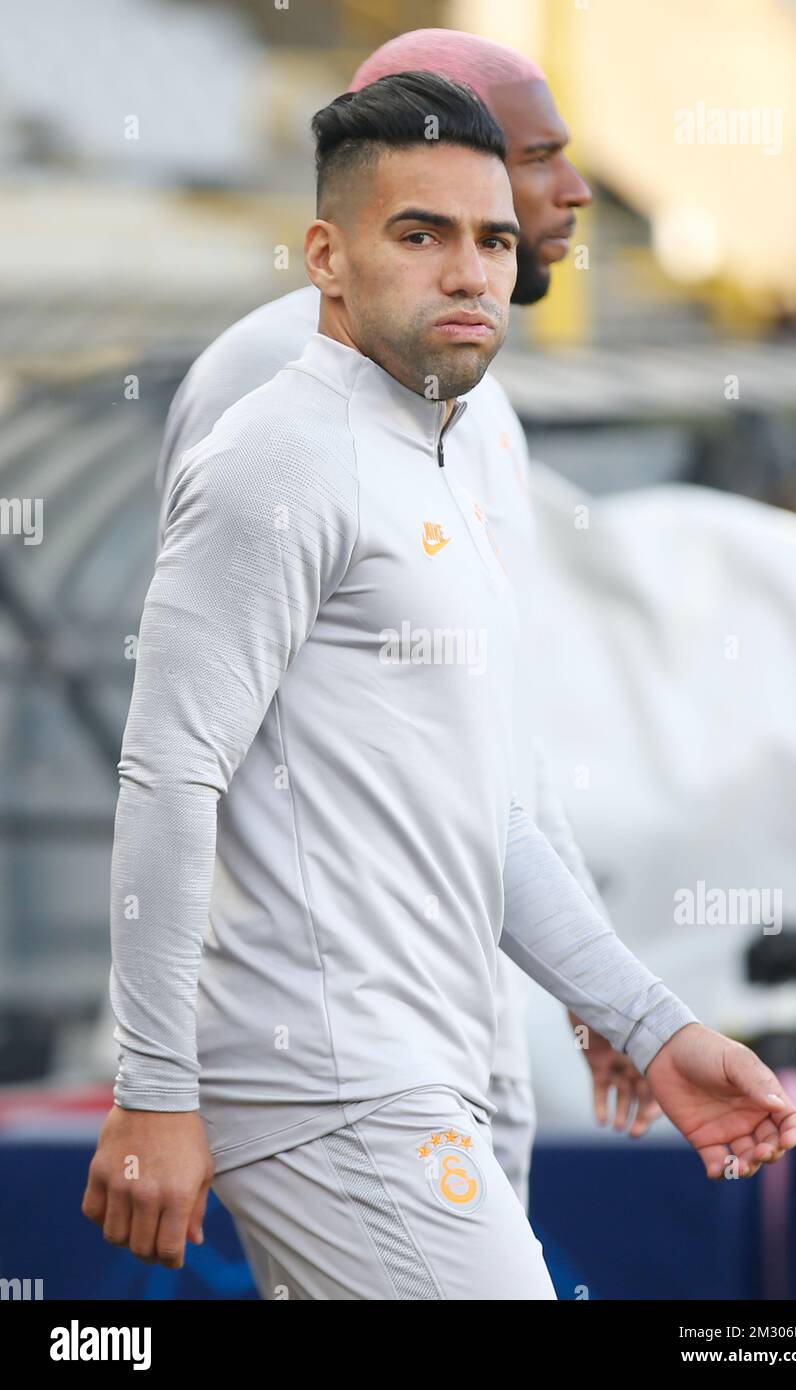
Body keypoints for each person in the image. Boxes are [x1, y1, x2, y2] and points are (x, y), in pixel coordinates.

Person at [82, 73, 796, 1301]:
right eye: (420, 235)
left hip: (417, 1067)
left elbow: (487, 814)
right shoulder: (276, 447)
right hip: (331, 1080)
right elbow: (167, 770)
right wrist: (153, 1091)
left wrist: (651, 1025)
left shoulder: (440, 461)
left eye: (492, 240)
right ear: (326, 252)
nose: (469, 271)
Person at [151, 30, 656, 1214]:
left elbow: (496, 746)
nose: (569, 193)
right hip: (317, 1040)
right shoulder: (277, 380)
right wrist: (159, 1079)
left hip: (453, 1002)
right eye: (535, 159)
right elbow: (185, 747)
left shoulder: (472, 402)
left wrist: (596, 984)